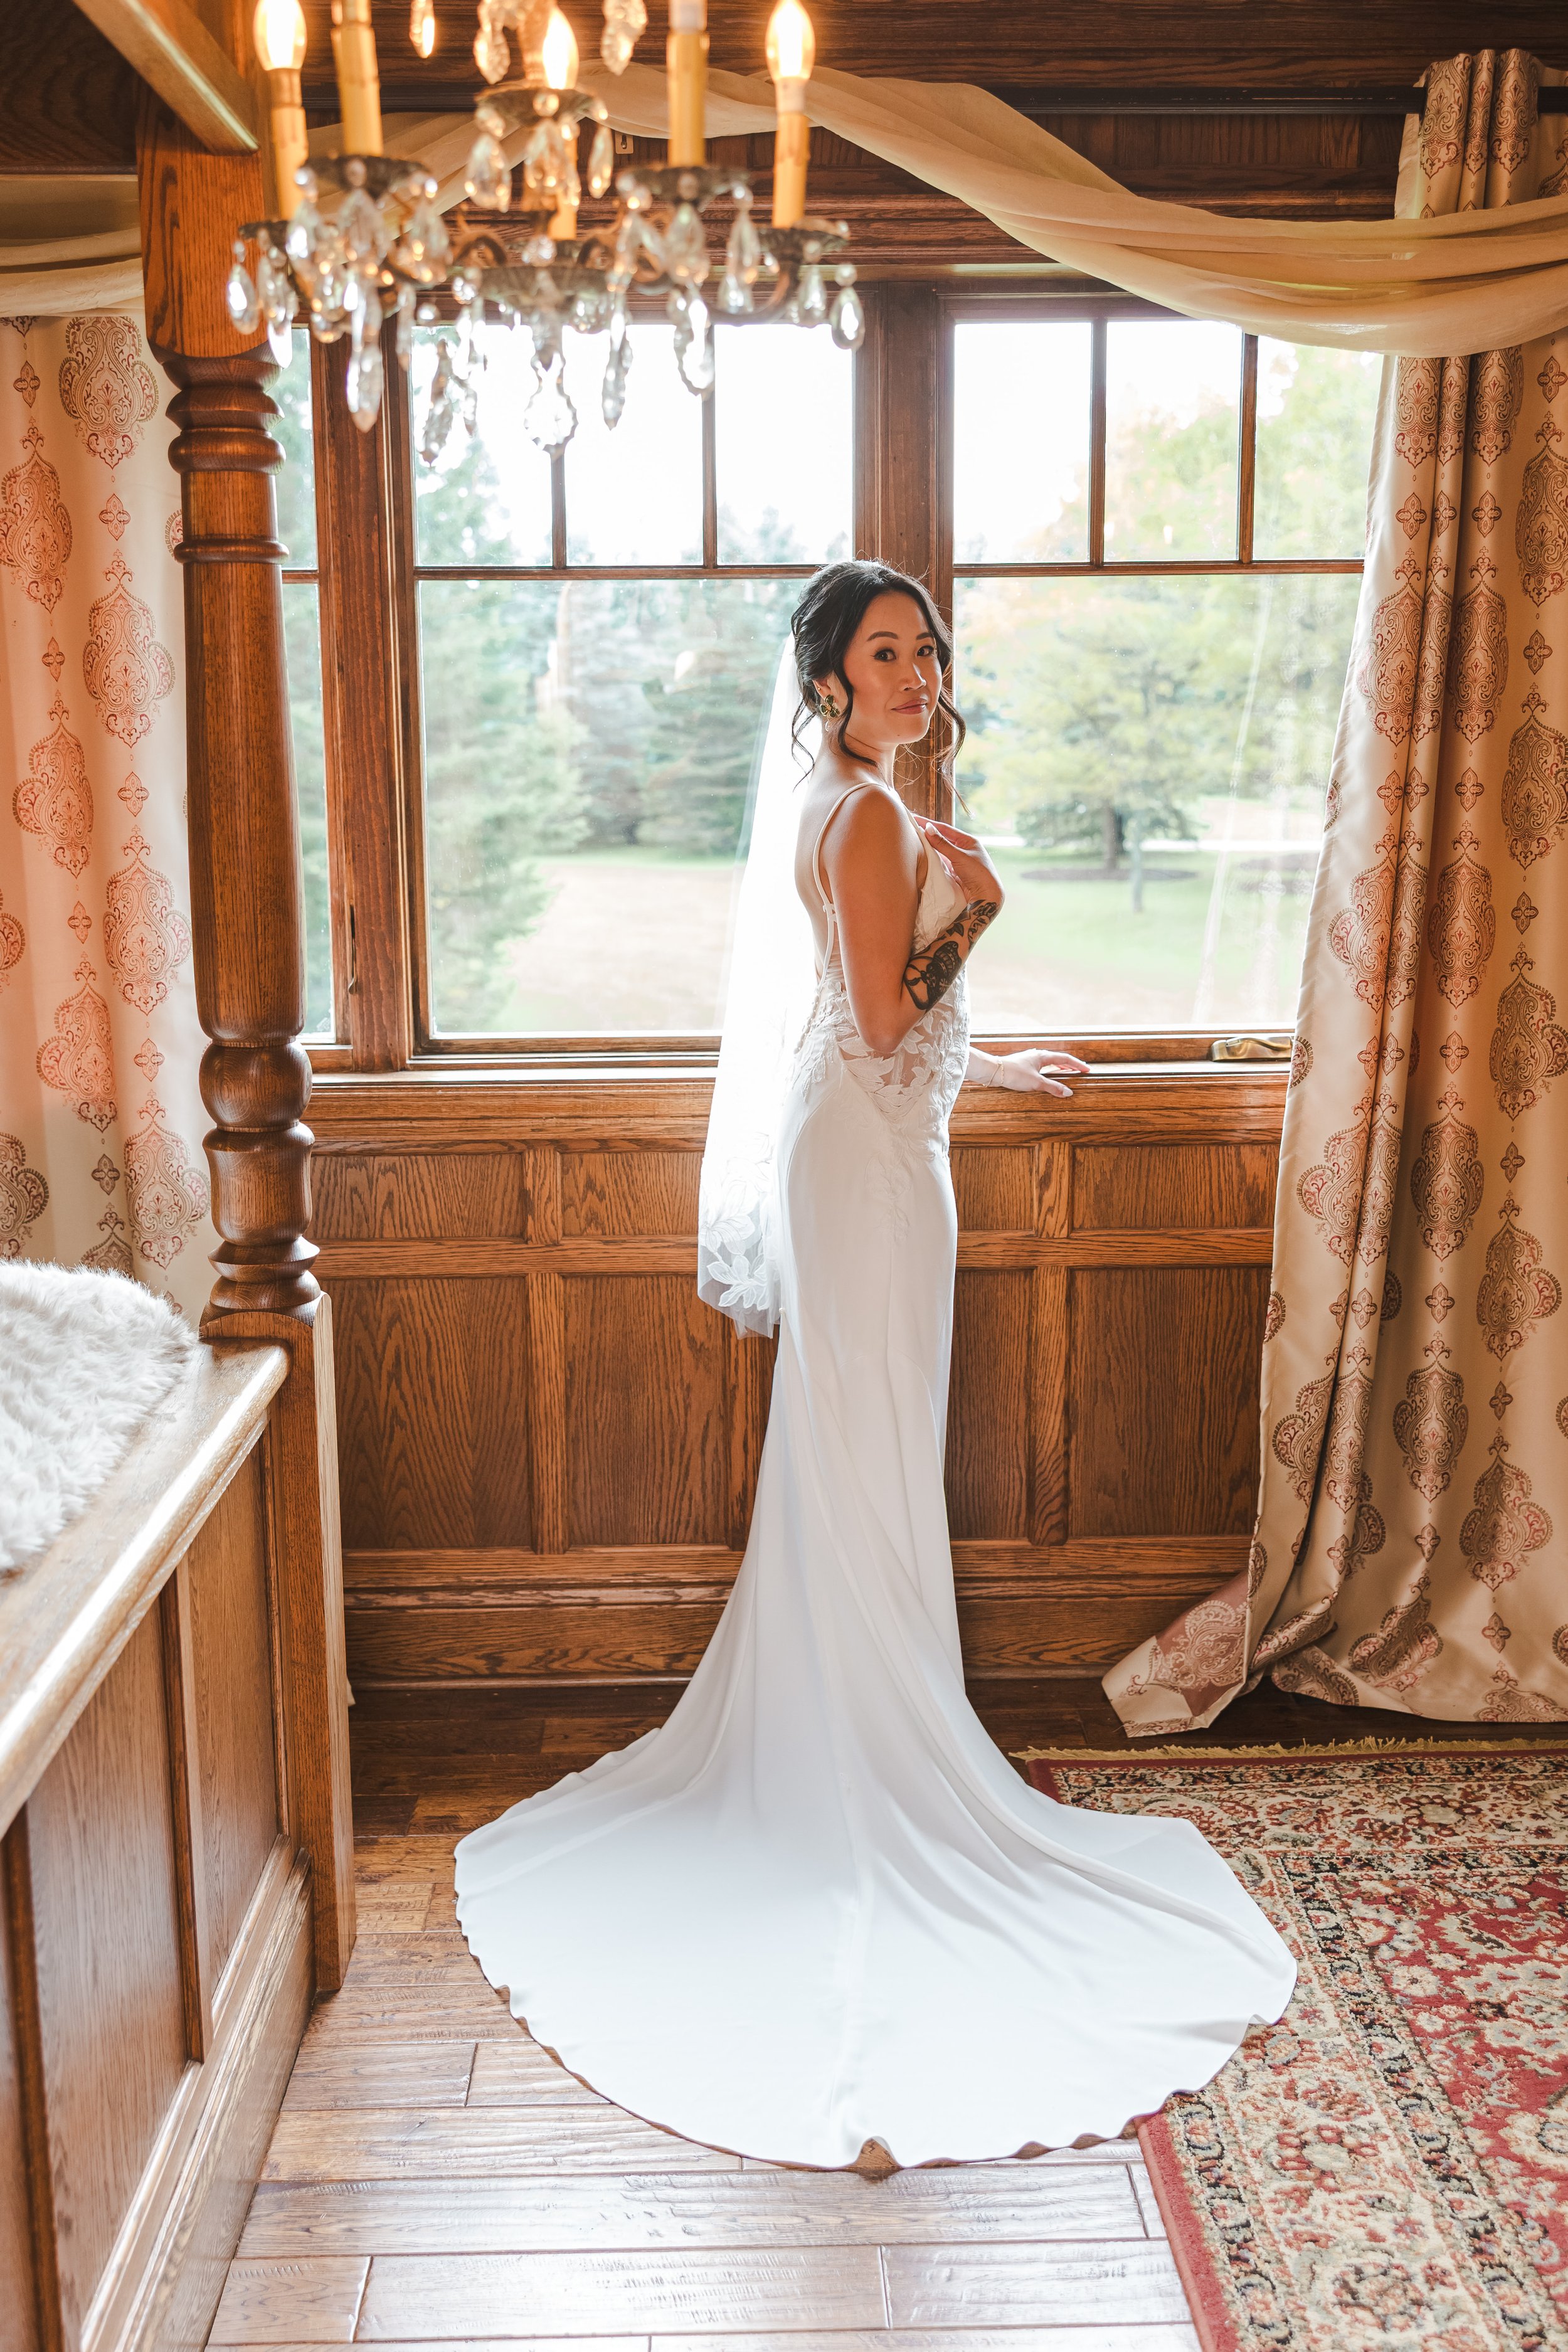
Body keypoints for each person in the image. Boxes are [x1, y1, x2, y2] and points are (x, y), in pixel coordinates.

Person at [454, 558, 1295, 2169]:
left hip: (875, 1152)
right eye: (882, 653)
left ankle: (868, 1717)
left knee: (868, 1445)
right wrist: (975, 908)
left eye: (925, 649)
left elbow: (892, 1038)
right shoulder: (857, 816)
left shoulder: (861, 807)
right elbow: (884, 1019)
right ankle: (859, 1760)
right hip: (860, 1170)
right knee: (859, 1444)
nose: (915, 673)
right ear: (827, 681)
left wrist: (998, 1034)